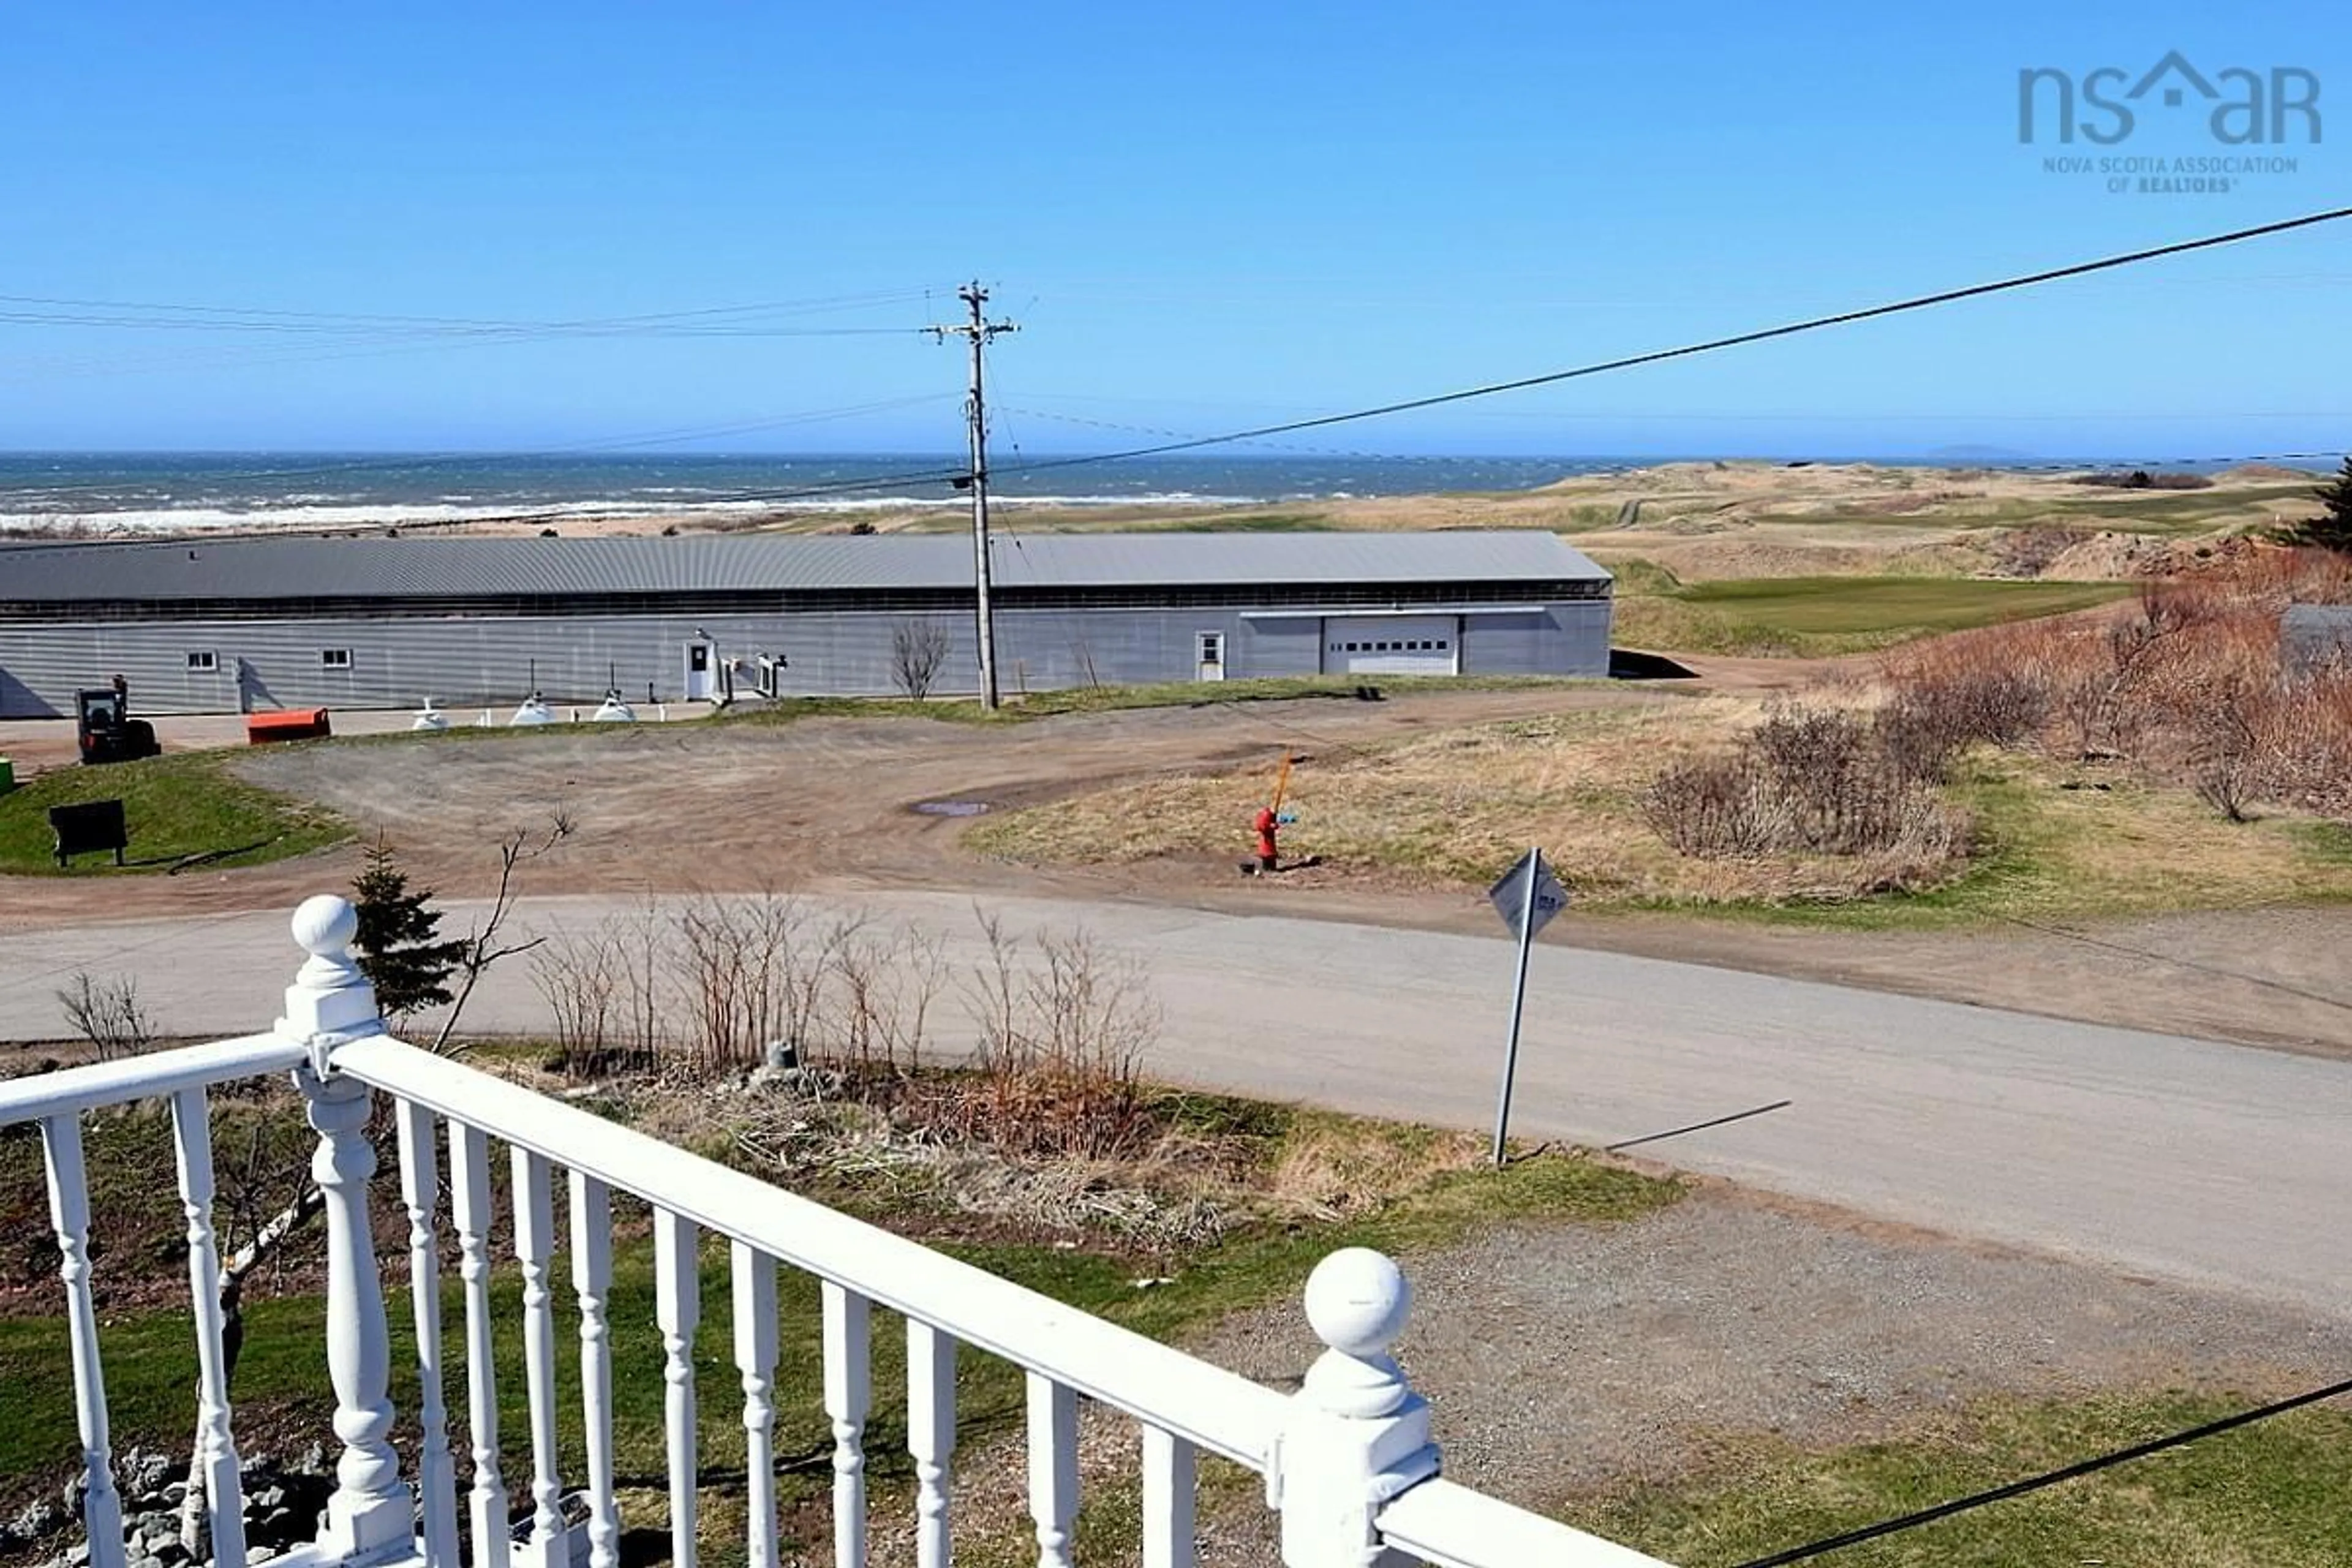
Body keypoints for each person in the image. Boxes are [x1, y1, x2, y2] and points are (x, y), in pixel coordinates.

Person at [1252, 803, 1281, 875]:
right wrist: (1273, 825)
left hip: (1269, 842)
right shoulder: (1264, 820)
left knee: (1270, 856)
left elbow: (1272, 825)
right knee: (1267, 856)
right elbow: (1264, 827)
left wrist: (1274, 822)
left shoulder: (1265, 818)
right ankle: (1267, 868)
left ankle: (1271, 868)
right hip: (1266, 843)